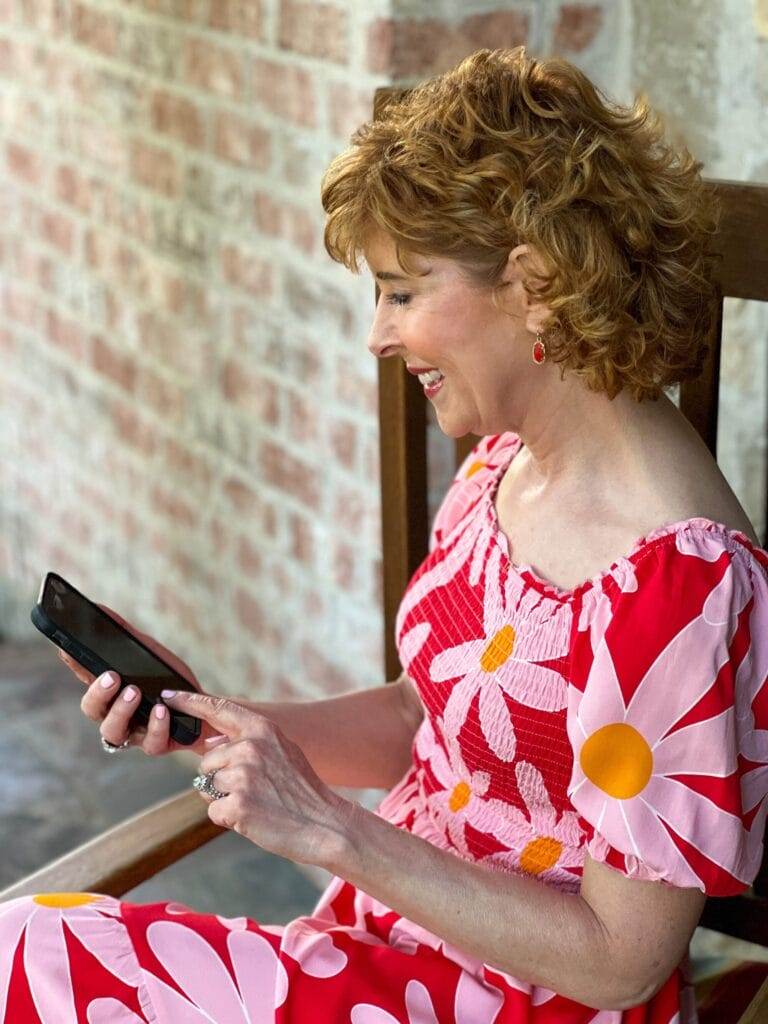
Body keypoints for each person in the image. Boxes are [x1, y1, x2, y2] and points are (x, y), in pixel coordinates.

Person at [2, 44, 767, 1024]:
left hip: (516, 1000)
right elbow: (426, 718)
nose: (378, 333)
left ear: (532, 284)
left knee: (27, 957)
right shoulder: (507, 463)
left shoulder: (678, 587)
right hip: (373, 955)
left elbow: (621, 960)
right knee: (32, 950)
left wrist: (330, 831)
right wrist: (219, 719)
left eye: (403, 291)